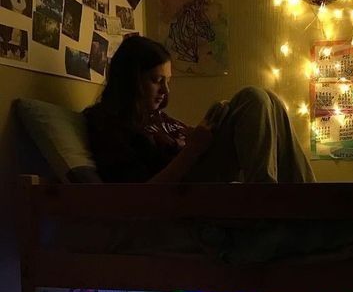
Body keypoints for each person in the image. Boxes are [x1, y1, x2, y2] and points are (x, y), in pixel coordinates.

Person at [84, 35, 315, 183]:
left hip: (199, 166)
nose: (165, 90)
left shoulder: (156, 116)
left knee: (271, 100)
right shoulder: (108, 123)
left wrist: (200, 135)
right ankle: (263, 203)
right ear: (131, 80)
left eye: (168, 81)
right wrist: (192, 150)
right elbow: (140, 195)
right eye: (156, 80)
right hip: (184, 189)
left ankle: (312, 204)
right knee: (252, 98)